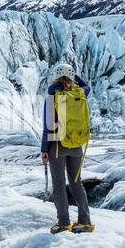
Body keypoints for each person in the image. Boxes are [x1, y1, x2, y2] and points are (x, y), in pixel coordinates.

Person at [41, 63, 94, 234]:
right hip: (76, 144)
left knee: (59, 185)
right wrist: (73, 78)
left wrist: (44, 149)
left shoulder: (52, 96)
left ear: (56, 76)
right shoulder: (80, 93)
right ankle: (85, 222)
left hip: (57, 145)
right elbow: (87, 86)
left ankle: (64, 223)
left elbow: (48, 126)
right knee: (76, 183)